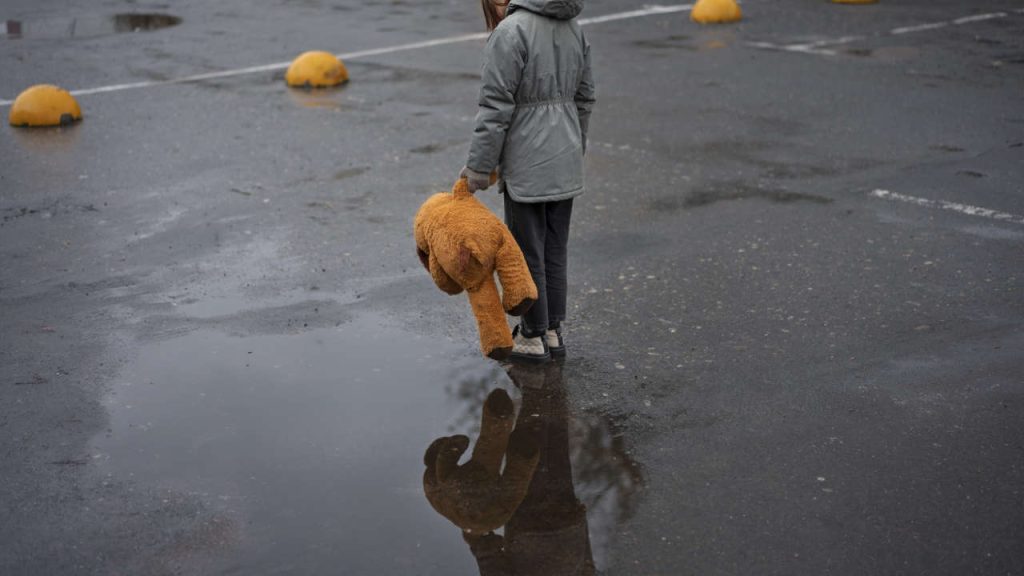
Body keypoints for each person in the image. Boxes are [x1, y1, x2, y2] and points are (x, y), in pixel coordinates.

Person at [460, 0, 595, 364]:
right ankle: (552, 329)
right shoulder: (573, 27)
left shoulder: (510, 32)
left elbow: (495, 106)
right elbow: (585, 97)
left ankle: (532, 335)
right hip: (564, 158)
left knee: (526, 252)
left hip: (527, 161)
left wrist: (478, 168)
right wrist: (572, 147)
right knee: (554, 249)